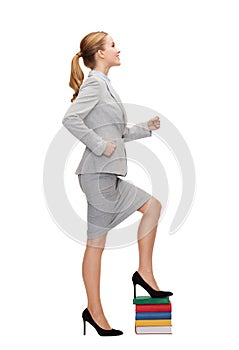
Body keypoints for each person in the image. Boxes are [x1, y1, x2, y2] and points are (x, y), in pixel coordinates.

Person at [62, 31, 173, 336]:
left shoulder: (105, 85)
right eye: (112, 45)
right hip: (98, 176)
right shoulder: (95, 83)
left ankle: (142, 275)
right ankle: (98, 311)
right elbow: (70, 119)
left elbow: (114, 131)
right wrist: (98, 145)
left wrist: (145, 129)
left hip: (106, 176)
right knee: (96, 244)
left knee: (151, 207)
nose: (118, 49)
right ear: (99, 53)